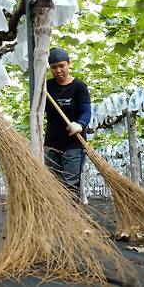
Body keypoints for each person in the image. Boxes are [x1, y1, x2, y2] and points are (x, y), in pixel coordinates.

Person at [43, 47, 91, 199]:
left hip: (74, 144)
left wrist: (80, 124)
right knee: (52, 183)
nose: (58, 70)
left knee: (70, 184)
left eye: (61, 65)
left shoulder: (79, 87)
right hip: (52, 142)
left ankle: (72, 219)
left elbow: (86, 111)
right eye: (54, 67)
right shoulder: (46, 87)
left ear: (69, 64)